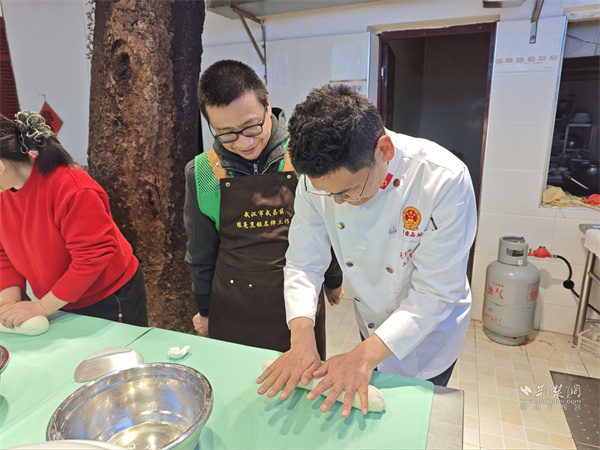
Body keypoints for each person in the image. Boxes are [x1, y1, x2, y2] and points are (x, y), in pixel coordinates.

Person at [256, 84, 477, 418]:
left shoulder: (443, 180)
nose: (339, 202)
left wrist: (361, 356)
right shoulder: (315, 181)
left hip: (429, 335)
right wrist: (301, 339)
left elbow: (435, 293)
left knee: (412, 419)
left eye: (348, 191)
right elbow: (303, 263)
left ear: (383, 151)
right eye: (329, 195)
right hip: (372, 319)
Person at [184, 60, 343, 358]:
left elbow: (325, 228)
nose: (244, 142)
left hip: (299, 304)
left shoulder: (304, 155)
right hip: (232, 305)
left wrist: (334, 279)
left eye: (251, 126)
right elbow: (200, 254)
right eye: (226, 133)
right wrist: (204, 310)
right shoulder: (202, 171)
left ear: (267, 104)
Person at [0, 111, 147, 328]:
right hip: (57, 299)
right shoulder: (4, 191)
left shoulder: (72, 188)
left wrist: (42, 307)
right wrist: (8, 304)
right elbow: (4, 251)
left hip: (106, 296)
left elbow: (91, 257)